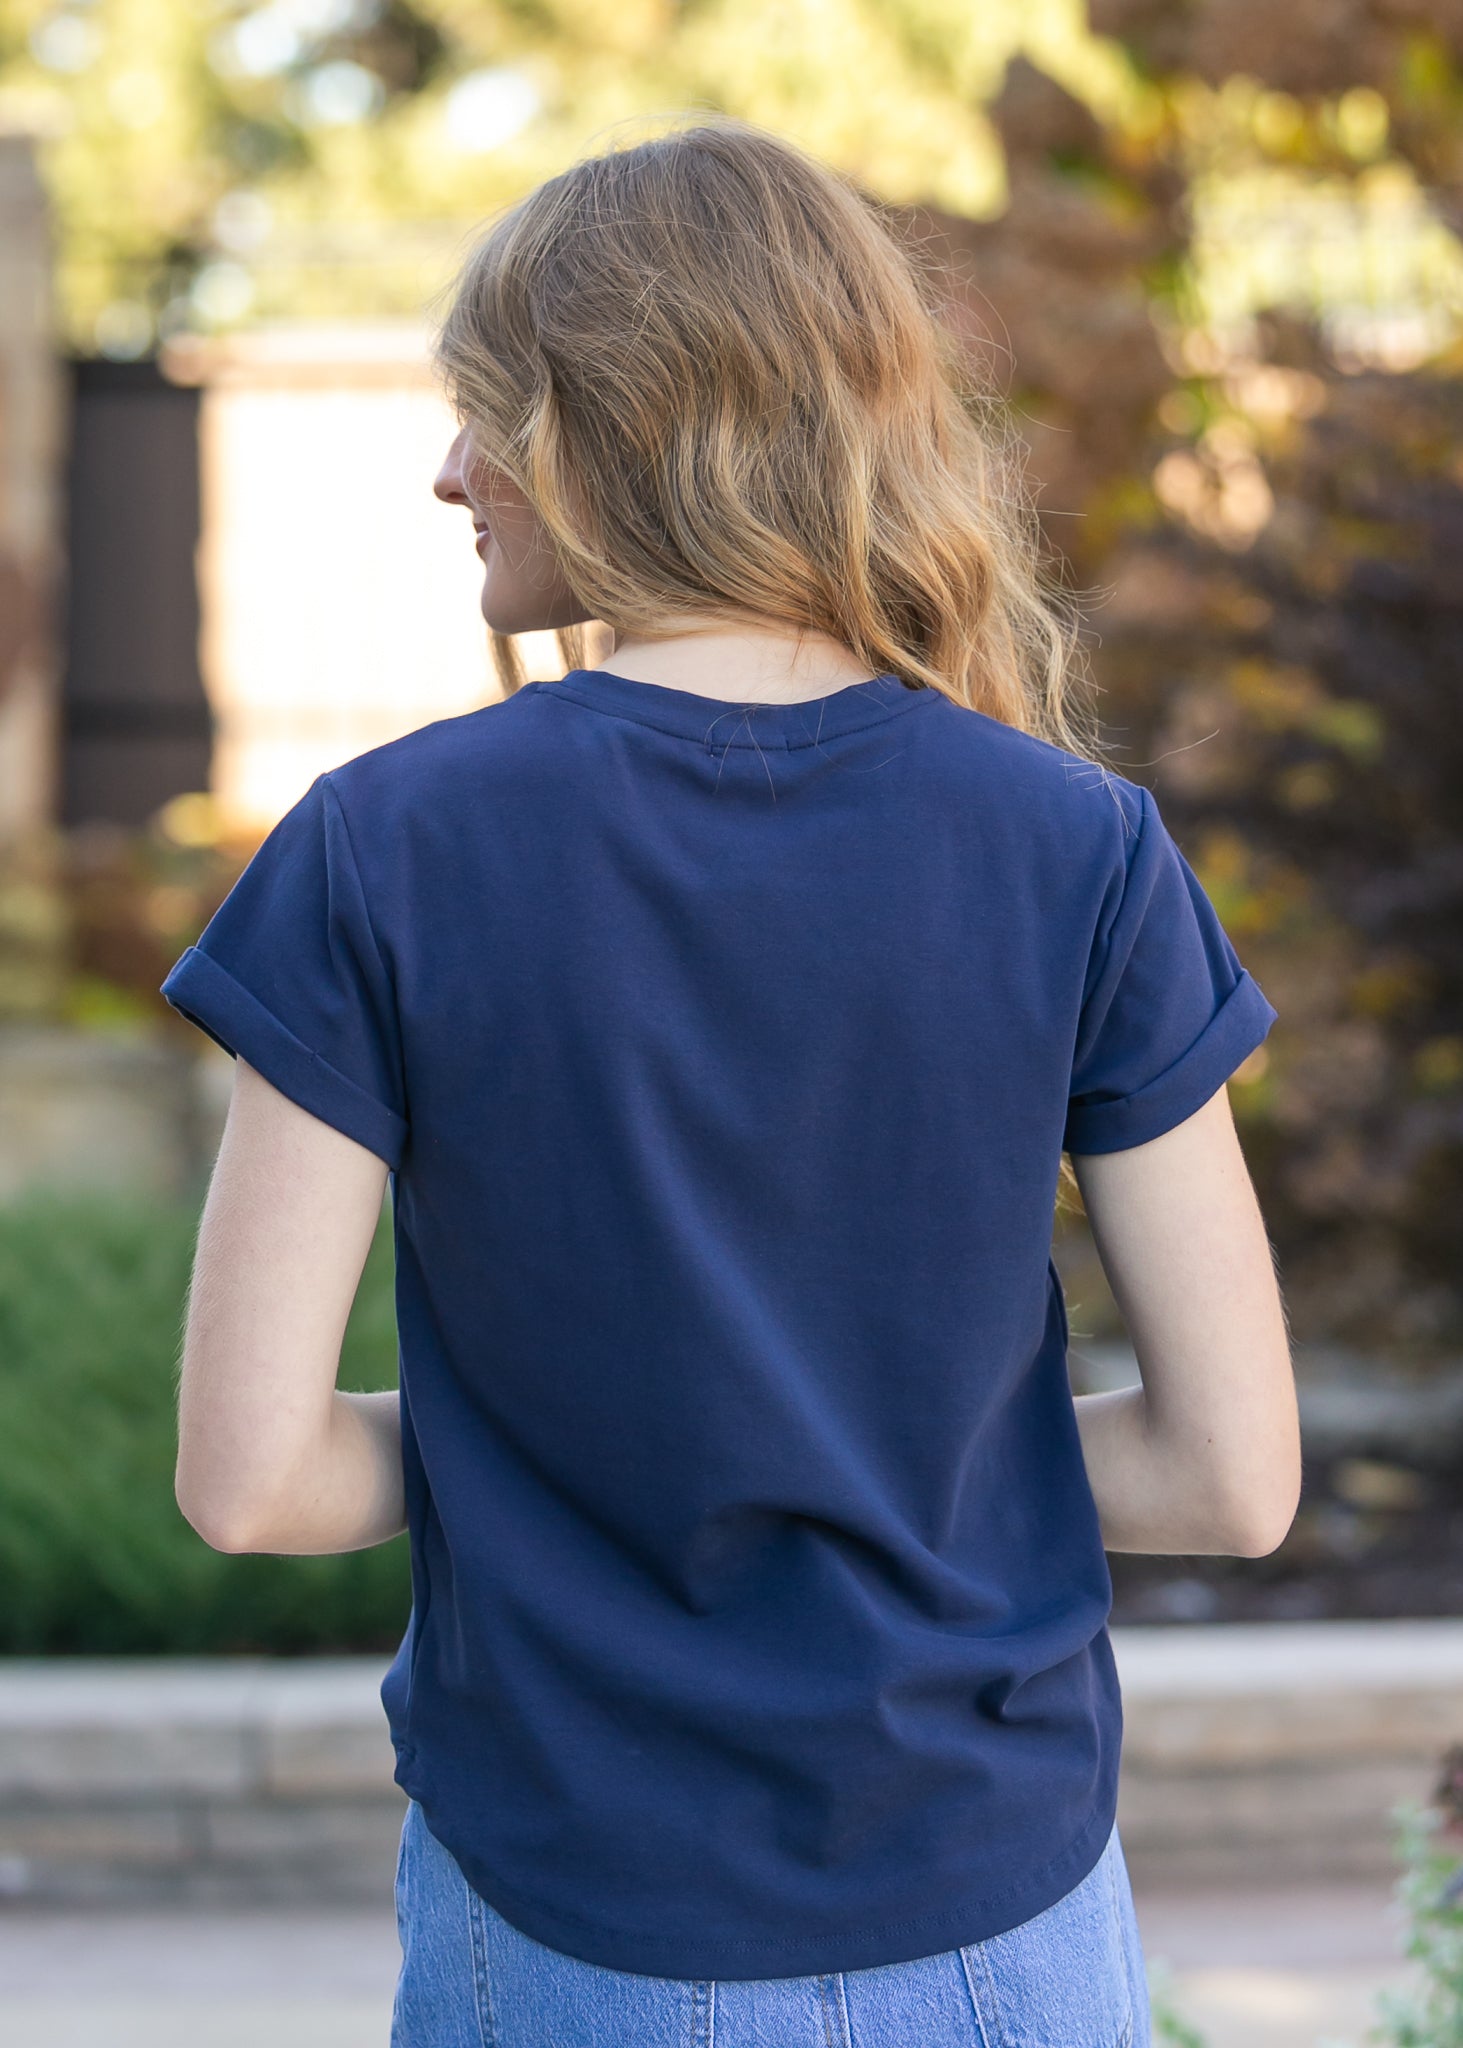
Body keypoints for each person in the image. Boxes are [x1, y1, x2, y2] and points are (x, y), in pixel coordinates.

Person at [160, 117, 1301, 2048]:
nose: (449, 469)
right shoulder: (1080, 852)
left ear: (632, 425)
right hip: (999, 1921)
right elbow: (1233, 1475)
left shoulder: (382, 850)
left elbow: (253, 1479)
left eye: (487, 408)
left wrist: (589, 1462)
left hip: (572, 1916)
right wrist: (877, 1477)